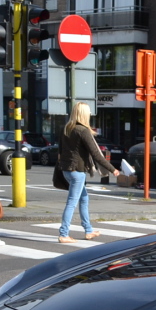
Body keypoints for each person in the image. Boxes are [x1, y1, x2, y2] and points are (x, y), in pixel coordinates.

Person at [57, 101, 121, 243]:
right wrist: (113, 169)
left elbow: (60, 150)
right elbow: (96, 154)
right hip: (77, 172)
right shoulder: (83, 131)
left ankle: (88, 230)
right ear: (84, 114)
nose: (90, 114)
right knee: (72, 202)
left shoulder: (66, 128)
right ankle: (63, 234)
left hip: (67, 170)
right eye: (89, 112)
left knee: (84, 199)